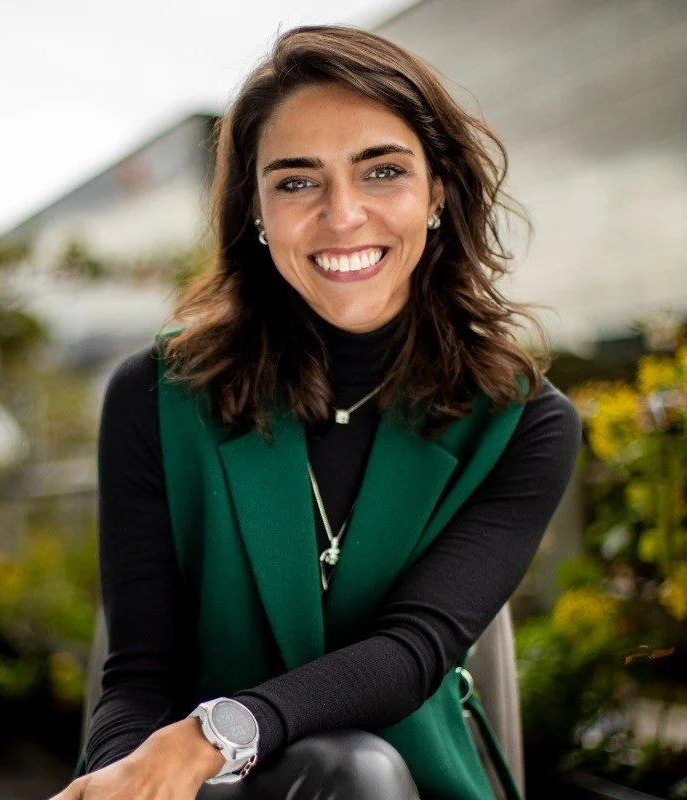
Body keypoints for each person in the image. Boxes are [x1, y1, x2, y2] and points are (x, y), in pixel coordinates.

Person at [50, 24, 582, 800]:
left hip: (404, 784)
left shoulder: (523, 422)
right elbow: (138, 675)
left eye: (382, 172)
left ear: (438, 189)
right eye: (297, 182)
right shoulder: (156, 396)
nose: (343, 215)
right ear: (256, 210)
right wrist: (123, 778)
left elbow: (412, 650)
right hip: (209, 795)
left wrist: (216, 734)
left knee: (357, 772)